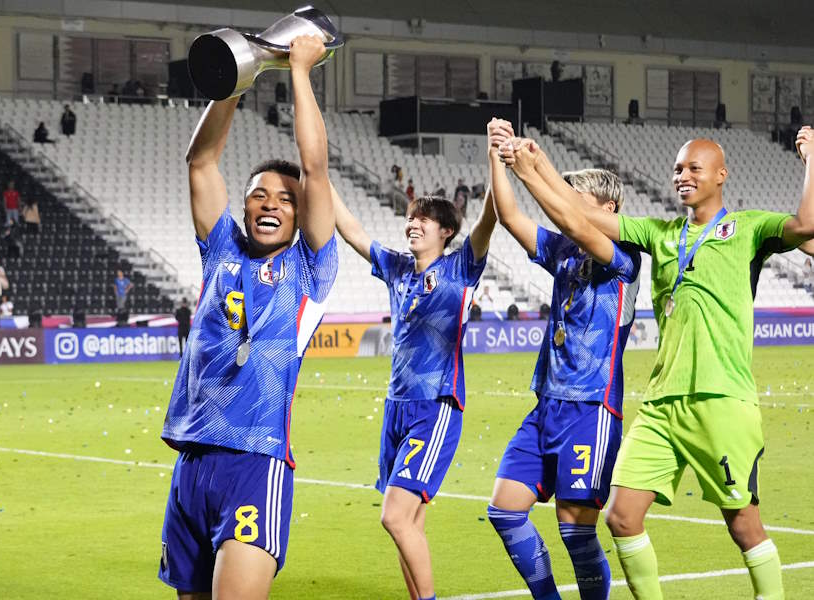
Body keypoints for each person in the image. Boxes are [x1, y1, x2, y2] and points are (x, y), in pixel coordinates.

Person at [513, 125, 814, 600]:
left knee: (744, 526)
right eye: (677, 169)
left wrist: (812, 158)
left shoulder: (750, 228)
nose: (683, 176)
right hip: (661, 405)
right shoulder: (660, 234)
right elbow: (577, 217)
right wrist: (535, 164)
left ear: (721, 175)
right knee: (622, 517)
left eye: (694, 168)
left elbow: (807, 225)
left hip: (721, 401)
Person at [158, 35, 338, 599]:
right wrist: (237, 76)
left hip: (256, 463)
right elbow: (201, 161)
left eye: (285, 199)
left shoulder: (310, 270)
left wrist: (301, 72)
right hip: (191, 459)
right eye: (259, 194)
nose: (269, 204)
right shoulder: (222, 252)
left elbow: (314, 167)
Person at [331, 145, 496, 598]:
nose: (413, 223)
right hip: (397, 405)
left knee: (394, 516)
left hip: (436, 405)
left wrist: (497, 163)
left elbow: (488, 220)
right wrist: (317, 176)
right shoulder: (399, 269)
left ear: (445, 231)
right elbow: (351, 230)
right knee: (410, 523)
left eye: (424, 219)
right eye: (411, 217)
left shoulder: (460, 268)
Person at [489, 118, 640, 600]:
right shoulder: (565, 250)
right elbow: (510, 216)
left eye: (574, 196)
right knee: (505, 510)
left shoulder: (624, 254)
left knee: (576, 532)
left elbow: (573, 219)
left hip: (591, 408)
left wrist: (531, 167)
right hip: (547, 405)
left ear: (609, 209)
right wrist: (496, 154)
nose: (561, 205)